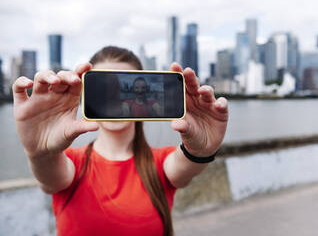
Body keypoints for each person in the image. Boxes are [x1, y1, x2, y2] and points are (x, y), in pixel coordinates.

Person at [13, 46, 228, 236]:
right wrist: (38, 152)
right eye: (105, 89)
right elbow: (49, 173)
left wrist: (200, 151)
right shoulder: (70, 163)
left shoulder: (161, 163)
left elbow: (185, 164)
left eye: (122, 88)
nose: (114, 99)